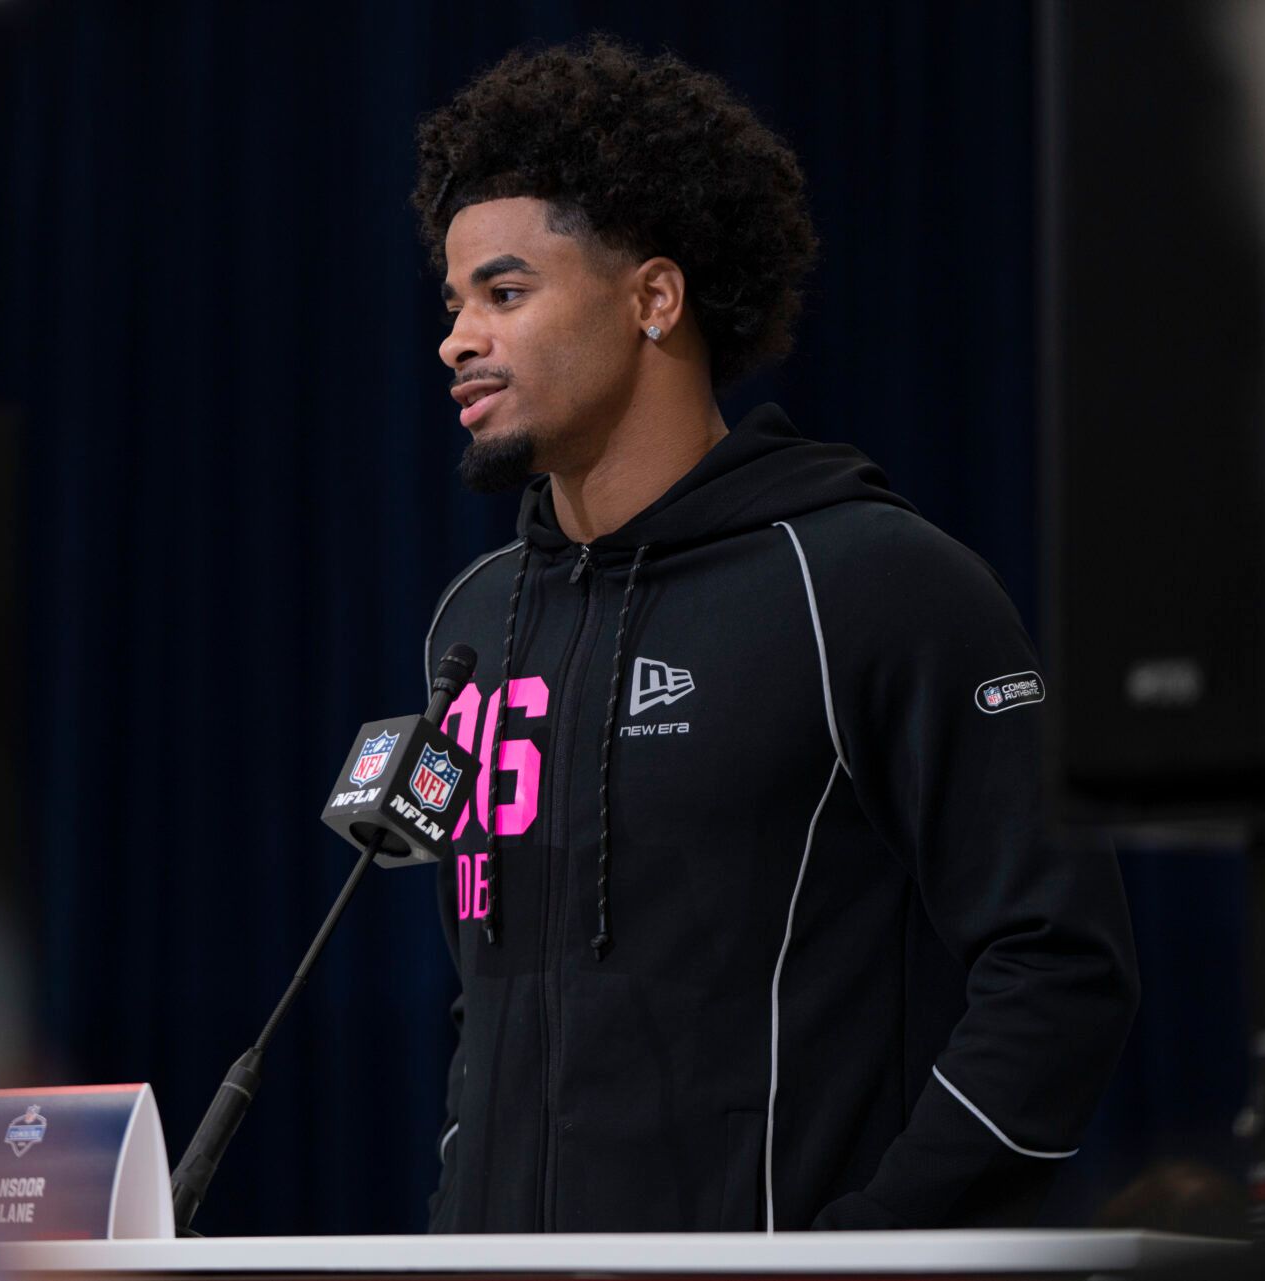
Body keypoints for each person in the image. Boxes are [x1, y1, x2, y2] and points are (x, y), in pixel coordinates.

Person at [411, 36, 1139, 1234]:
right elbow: (484, 1005)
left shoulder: (872, 582)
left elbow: (1062, 965)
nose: (456, 339)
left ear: (654, 299)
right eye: (454, 305)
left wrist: (875, 1249)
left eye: (505, 293)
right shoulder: (473, 621)